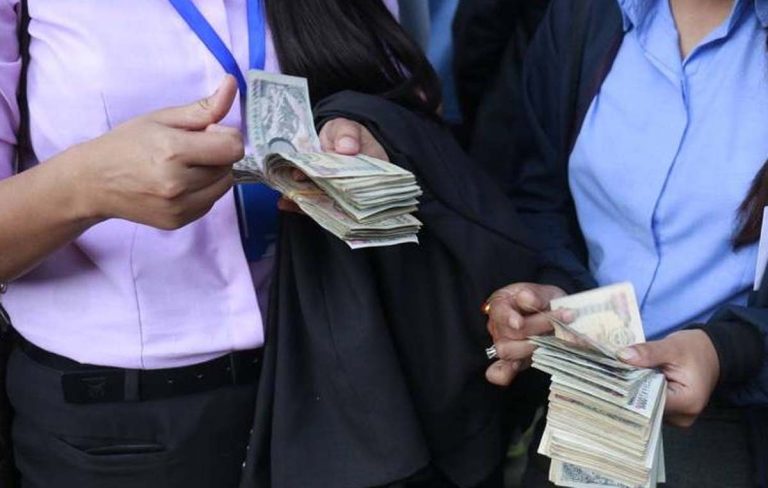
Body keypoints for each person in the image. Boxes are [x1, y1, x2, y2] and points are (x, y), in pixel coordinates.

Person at [0, 1, 440, 487]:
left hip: (339, 369)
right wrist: (86, 187)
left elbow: (408, 105)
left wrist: (363, 135)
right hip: (126, 424)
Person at [482, 0, 768, 485]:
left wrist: (728, 350)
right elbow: (538, 193)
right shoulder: (584, 18)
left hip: (732, 428)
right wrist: (555, 290)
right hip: (583, 401)